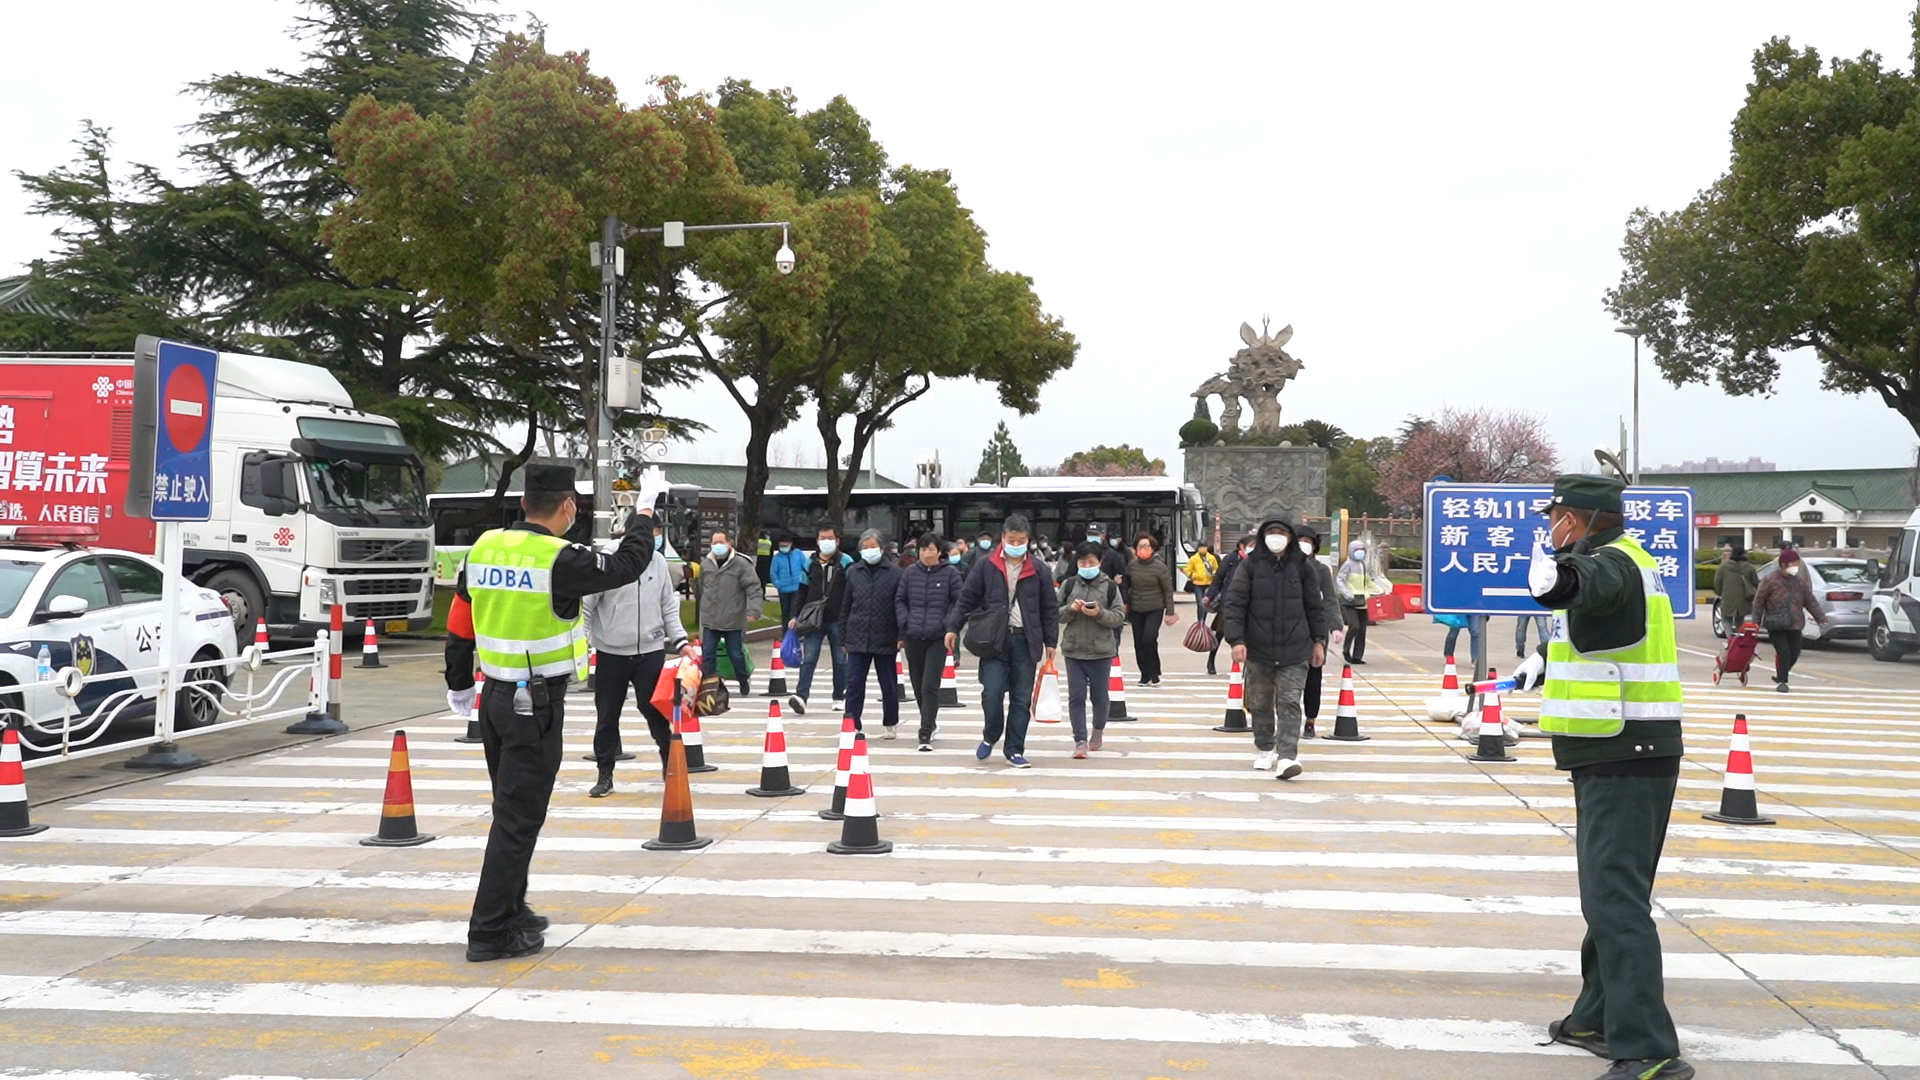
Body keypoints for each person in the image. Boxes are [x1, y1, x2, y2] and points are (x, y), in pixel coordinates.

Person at [1511, 473, 1693, 1080]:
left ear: (1584, 517)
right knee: (1609, 891)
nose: (1550, 525)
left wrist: (1558, 577)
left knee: (1614, 898)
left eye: (1557, 514)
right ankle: (1596, 1017)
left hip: (1625, 752)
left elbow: (1586, 586)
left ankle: (1647, 1048)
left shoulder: (1611, 563)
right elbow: (1600, 629)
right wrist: (1538, 664)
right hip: (1614, 752)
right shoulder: (1633, 560)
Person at [458, 463, 664, 963]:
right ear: (568, 506)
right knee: (517, 819)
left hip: (495, 701)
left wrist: (458, 681)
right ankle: (489, 931)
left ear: (524, 503)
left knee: (512, 813)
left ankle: (512, 909)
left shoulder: (484, 546)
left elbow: (462, 612)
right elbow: (629, 565)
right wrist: (643, 509)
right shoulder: (559, 559)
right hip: (534, 705)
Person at [582, 522, 699, 796]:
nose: (653, 539)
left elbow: (668, 605)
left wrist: (681, 641)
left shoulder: (657, 562)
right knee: (607, 715)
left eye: (656, 534)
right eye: (648, 533)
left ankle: (670, 767)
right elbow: (588, 603)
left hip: (650, 649)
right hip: (612, 651)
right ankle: (605, 774)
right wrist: (582, 644)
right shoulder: (608, 559)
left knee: (656, 711)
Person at [945, 513, 1059, 768]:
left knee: (1021, 698)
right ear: (1003, 538)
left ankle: (1014, 749)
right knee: (992, 691)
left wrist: (1051, 641)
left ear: (1027, 540)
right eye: (1011, 539)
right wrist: (953, 627)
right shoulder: (986, 565)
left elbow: (1049, 608)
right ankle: (991, 734)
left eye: (1020, 540)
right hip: (993, 640)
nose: (1015, 544)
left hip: (1025, 639)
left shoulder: (1038, 569)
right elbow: (967, 598)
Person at [1223, 518, 1328, 779]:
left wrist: (1319, 641)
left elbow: (1315, 607)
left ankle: (1287, 756)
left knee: (1290, 702)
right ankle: (1265, 746)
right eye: (1271, 532)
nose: (1276, 536)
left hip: (1296, 648)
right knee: (1260, 702)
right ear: (1262, 536)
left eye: (1281, 532)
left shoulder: (1303, 567)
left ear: (1290, 536)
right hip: (1258, 650)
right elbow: (1234, 606)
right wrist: (1237, 640)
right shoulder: (1249, 567)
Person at [1056, 541, 1126, 757]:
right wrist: (1071, 609)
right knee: (1076, 697)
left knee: (1099, 696)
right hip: (1074, 650)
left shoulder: (1110, 587)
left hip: (1101, 651)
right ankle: (1080, 740)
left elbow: (1119, 617)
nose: (1087, 566)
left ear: (1100, 562)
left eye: (1091, 562)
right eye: (1083, 562)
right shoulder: (1068, 585)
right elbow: (1055, 614)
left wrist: (1099, 613)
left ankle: (1098, 730)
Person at [896, 532, 961, 751]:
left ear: (939, 551)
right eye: (923, 549)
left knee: (929, 685)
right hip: (913, 635)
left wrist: (948, 625)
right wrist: (904, 622)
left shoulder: (950, 573)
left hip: (937, 638)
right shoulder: (910, 573)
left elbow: (958, 602)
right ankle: (930, 721)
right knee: (916, 684)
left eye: (930, 549)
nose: (926, 553)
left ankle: (924, 732)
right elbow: (900, 600)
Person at [841, 529, 904, 735]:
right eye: (865, 548)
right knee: (854, 684)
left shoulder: (895, 573)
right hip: (857, 637)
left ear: (882, 548)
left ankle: (890, 722)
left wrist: (901, 635)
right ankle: (852, 723)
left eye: (873, 547)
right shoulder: (853, 572)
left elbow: (901, 606)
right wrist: (843, 636)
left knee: (888, 684)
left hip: (886, 636)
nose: (869, 551)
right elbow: (846, 606)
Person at [788, 526, 851, 715]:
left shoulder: (845, 562)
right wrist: (795, 615)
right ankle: (801, 696)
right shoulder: (810, 563)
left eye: (830, 538)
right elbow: (802, 590)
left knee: (840, 660)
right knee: (809, 658)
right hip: (814, 620)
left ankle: (839, 696)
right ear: (817, 541)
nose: (826, 541)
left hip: (838, 619)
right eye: (822, 538)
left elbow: (852, 590)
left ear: (837, 541)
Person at [1751, 547, 1828, 693]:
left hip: (1795, 623)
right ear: (1784, 564)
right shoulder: (1770, 580)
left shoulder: (1799, 582)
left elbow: (1810, 601)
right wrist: (1756, 621)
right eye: (1793, 564)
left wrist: (1821, 618)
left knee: (1795, 652)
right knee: (1784, 652)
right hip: (1776, 623)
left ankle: (1781, 673)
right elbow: (1759, 601)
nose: (1795, 567)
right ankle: (1782, 681)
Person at [697, 529, 760, 700]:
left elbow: (753, 588)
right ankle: (709, 687)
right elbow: (702, 587)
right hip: (710, 619)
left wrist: (754, 610)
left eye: (721, 542)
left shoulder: (741, 564)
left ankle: (743, 679)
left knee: (736, 654)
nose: (718, 546)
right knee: (708, 654)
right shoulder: (706, 564)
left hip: (733, 619)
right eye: (714, 543)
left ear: (729, 543)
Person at [1293, 523, 1342, 738]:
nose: (1304, 545)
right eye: (1299, 541)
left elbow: (1330, 600)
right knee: (1287, 678)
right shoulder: (1283, 566)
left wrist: (1336, 626)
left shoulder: (1321, 570)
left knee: (1313, 677)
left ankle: (1310, 720)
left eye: (1308, 541)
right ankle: (1288, 720)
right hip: (1289, 629)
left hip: (1315, 630)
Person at [1123, 533, 1177, 685]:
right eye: (1140, 546)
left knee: (1149, 638)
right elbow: (1126, 585)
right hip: (1136, 609)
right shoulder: (1131, 566)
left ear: (1153, 549)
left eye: (1147, 546)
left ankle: (1154, 670)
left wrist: (1170, 611)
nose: (1143, 549)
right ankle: (1144, 673)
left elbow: (1167, 590)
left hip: (1155, 608)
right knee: (1138, 643)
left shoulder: (1160, 567)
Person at [1204, 534, 1255, 675]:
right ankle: (1211, 660)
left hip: (1250, 604)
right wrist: (1209, 596)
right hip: (1229, 602)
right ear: (1241, 546)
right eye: (1250, 545)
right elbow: (1218, 579)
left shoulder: (1257, 561)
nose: (1253, 549)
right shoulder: (1231, 560)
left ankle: (1247, 666)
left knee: (1249, 635)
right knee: (1220, 633)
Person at [1335, 540, 1381, 665]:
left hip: (1363, 601)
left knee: (1362, 630)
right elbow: (1339, 580)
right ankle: (1346, 650)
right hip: (1349, 601)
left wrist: (1378, 590)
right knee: (1354, 626)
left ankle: (1357, 656)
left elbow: (1368, 581)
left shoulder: (1364, 565)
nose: (1360, 552)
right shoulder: (1348, 564)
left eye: (1362, 550)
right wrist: (1346, 593)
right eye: (1357, 550)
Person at [1714, 543, 1758, 632]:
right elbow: (1755, 583)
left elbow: (1717, 582)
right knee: (1740, 619)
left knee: (1726, 619)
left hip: (1728, 597)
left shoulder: (1724, 566)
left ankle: (1730, 639)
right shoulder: (1749, 567)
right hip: (1744, 598)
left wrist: (1720, 593)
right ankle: (1739, 637)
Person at [769, 533, 810, 625]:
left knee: (794, 612)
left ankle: (795, 634)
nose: (783, 547)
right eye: (781, 545)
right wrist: (778, 585)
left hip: (797, 588)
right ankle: (786, 634)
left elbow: (805, 567)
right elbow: (773, 573)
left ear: (791, 544)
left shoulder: (798, 554)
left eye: (785, 545)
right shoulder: (777, 558)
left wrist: (803, 583)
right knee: (785, 613)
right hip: (783, 589)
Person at [1183, 542, 1219, 619]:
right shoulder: (1193, 559)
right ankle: (1200, 621)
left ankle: (1203, 621)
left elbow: (1216, 568)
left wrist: (1213, 573)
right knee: (1200, 603)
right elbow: (1187, 570)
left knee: (1206, 603)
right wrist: (1193, 576)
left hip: (1208, 583)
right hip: (1197, 584)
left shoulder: (1211, 558)